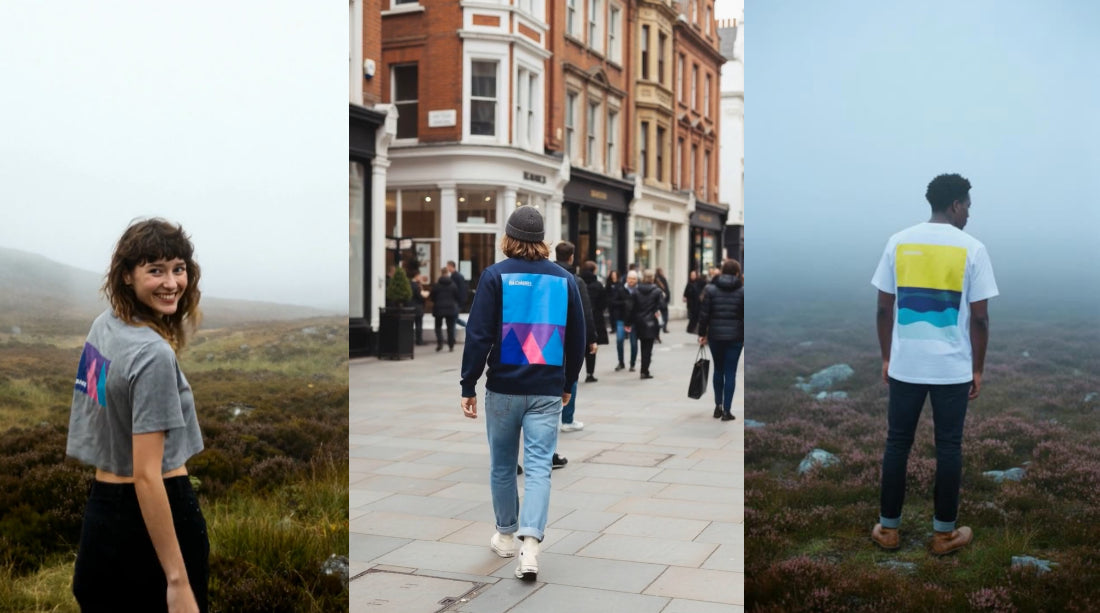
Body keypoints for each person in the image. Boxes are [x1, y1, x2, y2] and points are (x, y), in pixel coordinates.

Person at [68, 219, 208, 613]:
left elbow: (95, 414)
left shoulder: (103, 327)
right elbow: (147, 475)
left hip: (101, 514)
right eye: (155, 270)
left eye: (178, 269)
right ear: (127, 275)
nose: (171, 282)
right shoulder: (153, 355)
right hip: (158, 515)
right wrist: (177, 581)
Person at [870, 173, 998, 556]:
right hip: (951, 368)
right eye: (968, 207)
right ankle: (944, 534)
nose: (969, 215)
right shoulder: (973, 248)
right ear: (956, 204)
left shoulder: (898, 242)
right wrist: (977, 368)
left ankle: (888, 530)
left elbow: (882, 308)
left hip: (906, 364)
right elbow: (980, 319)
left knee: (897, 444)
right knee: (949, 447)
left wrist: (887, 357)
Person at [460, 205, 586, 582]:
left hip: (503, 388)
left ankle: (505, 534)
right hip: (546, 389)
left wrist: (468, 383)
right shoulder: (565, 280)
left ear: (509, 237)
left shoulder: (494, 276)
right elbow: (577, 339)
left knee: (502, 465)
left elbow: (478, 334)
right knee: (538, 469)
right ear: (542, 239)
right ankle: (530, 545)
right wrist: (568, 384)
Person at [554, 241, 597, 435]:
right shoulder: (575, 280)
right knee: (571, 373)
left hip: (546, 334)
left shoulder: (547, 276)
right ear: (571, 257)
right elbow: (585, 313)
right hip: (568, 335)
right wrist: (591, 338)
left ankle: (552, 416)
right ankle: (567, 418)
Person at [697, 259, 744, 421]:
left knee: (718, 370)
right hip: (736, 337)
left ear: (722, 271)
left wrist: (702, 333)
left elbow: (704, 315)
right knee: (730, 372)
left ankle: (717, 406)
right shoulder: (743, 291)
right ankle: (727, 411)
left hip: (716, 336)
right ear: (737, 273)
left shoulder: (710, 290)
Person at [624, 270, 664, 379]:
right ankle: (644, 370)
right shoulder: (656, 291)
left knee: (642, 346)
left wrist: (628, 322)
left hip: (639, 322)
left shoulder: (636, 291)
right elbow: (662, 306)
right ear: (652, 278)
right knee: (648, 348)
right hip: (651, 322)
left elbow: (631, 308)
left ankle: (643, 370)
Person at [579, 261, 609, 382]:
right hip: (595, 318)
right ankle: (590, 373)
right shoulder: (598, 285)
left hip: (579, 316)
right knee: (592, 346)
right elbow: (603, 303)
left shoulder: (578, 281)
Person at [430, 267, 461, 352]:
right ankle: (451, 345)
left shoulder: (436, 285)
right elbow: (457, 296)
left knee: (438, 327)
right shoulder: (453, 285)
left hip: (439, 308)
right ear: (447, 273)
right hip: (451, 308)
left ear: (441, 273)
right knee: (450, 328)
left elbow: (432, 297)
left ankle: (440, 343)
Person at [606, 270, 628, 371]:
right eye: (612, 275)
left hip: (628, 317)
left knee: (633, 343)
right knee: (619, 340)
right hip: (619, 317)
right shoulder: (609, 286)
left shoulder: (622, 287)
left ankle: (632, 363)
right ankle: (621, 361)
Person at [447, 260, 469, 327]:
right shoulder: (455, 276)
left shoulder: (457, 276)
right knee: (454, 319)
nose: (447, 268)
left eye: (448, 266)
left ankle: (468, 326)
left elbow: (461, 290)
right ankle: (468, 326)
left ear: (451, 266)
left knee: (454, 319)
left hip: (456, 301)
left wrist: (460, 301)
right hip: (456, 301)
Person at [410, 268, 427, 345]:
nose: (420, 277)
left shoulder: (409, 284)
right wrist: (424, 296)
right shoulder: (416, 286)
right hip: (418, 307)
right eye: (419, 275)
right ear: (416, 276)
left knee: (412, 325)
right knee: (419, 325)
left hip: (411, 307)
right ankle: (419, 340)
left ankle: (411, 340)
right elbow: (420, 297)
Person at [683, 270, 703, 334]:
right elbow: (685, 293)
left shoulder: (699, 283)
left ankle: (692, 328)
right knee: (692, 317)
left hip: (697, 303)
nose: (693, 276)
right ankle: (690, 329)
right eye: (692, 275)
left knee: (696, 316)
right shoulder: (689, 284)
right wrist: (685, 297)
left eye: (694, 275)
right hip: (691, 303)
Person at [654, 267, 671, 334]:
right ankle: (664, 327)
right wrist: (668, 298)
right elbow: (666, 290)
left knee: (657, 316)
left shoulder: (655, 279)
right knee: (665, 314)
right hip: (662, 301)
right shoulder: (663, 279)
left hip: (657, 301)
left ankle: (657, 333)